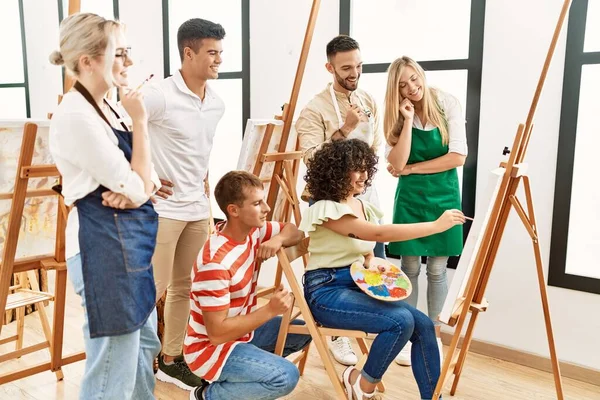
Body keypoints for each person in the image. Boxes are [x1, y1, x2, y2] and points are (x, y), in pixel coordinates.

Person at [49, 13, 162, 399]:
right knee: (113, 363)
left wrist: (138, 188)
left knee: (146, 348)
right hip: (103, 248)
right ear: (88, 61)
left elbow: (151, 180)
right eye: (120, 53)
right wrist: (142, 126)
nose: (128, 63)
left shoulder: (112, 109)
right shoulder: (75, 116)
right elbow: (138, 182)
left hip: (130, 244)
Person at [300, 139, 465, 400]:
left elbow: (362, 245)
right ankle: (362, 383)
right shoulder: (326, 208)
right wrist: (435, 225)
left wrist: (369, 260)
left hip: (356, 283)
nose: (364, 175)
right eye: (356, 169)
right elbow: (377, 233)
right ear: (337, 171)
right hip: (326, 291)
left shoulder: (361, 205)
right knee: (400, 322)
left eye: (366, 168)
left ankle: (433, 398)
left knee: (422, 324)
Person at [142, 18, 226, 389]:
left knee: (184, 288)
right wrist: (143, 175)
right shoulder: (159, 95)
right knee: (151, 291)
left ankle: (170, 359)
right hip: (161, 212)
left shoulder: (217, 103)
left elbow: (198, 150)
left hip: (197, 209)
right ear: (188, 53)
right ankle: (138, 364)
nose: (218, 60)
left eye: (220, 53)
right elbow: (118, 129)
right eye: (212, 52)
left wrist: (204, 178)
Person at [296, 34, 384, 366]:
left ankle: (381, 328)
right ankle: (337, 334)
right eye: (347, 67)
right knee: (336, 271)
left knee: (372, 267)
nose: (354, 72)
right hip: (330, 202)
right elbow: (311, 158)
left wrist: (364, 185)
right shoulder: (314, 108)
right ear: (329, 67)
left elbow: (373, 149)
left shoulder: (369, 100)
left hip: (365, 196)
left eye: (359, 65)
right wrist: (344, 129)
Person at [183, 171, 311, 400]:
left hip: (243, 335)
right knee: (285, 376)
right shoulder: (216, 265)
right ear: (234, 210)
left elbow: (295, 231)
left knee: (302, 331)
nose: (267, 208)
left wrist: (277, 240)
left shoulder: (252, 231)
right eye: (257, 203)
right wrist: (269, 310)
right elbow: (217, 334)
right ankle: (206, 395)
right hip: (210, 350)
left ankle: (246, 375)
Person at [383, 56, 468, 366]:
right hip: (410, 201)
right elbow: (396, 164)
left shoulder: (447, 103)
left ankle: (432, 335)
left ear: (422, 75)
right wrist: (406, 120)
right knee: (409, 268)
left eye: (414, 79)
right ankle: (409, 334)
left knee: (436, 269)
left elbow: (458, 156)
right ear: (397, 90)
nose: (412, 87)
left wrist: (413, 169)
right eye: (403, 85)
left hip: (444, 196)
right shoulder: (398, 114)